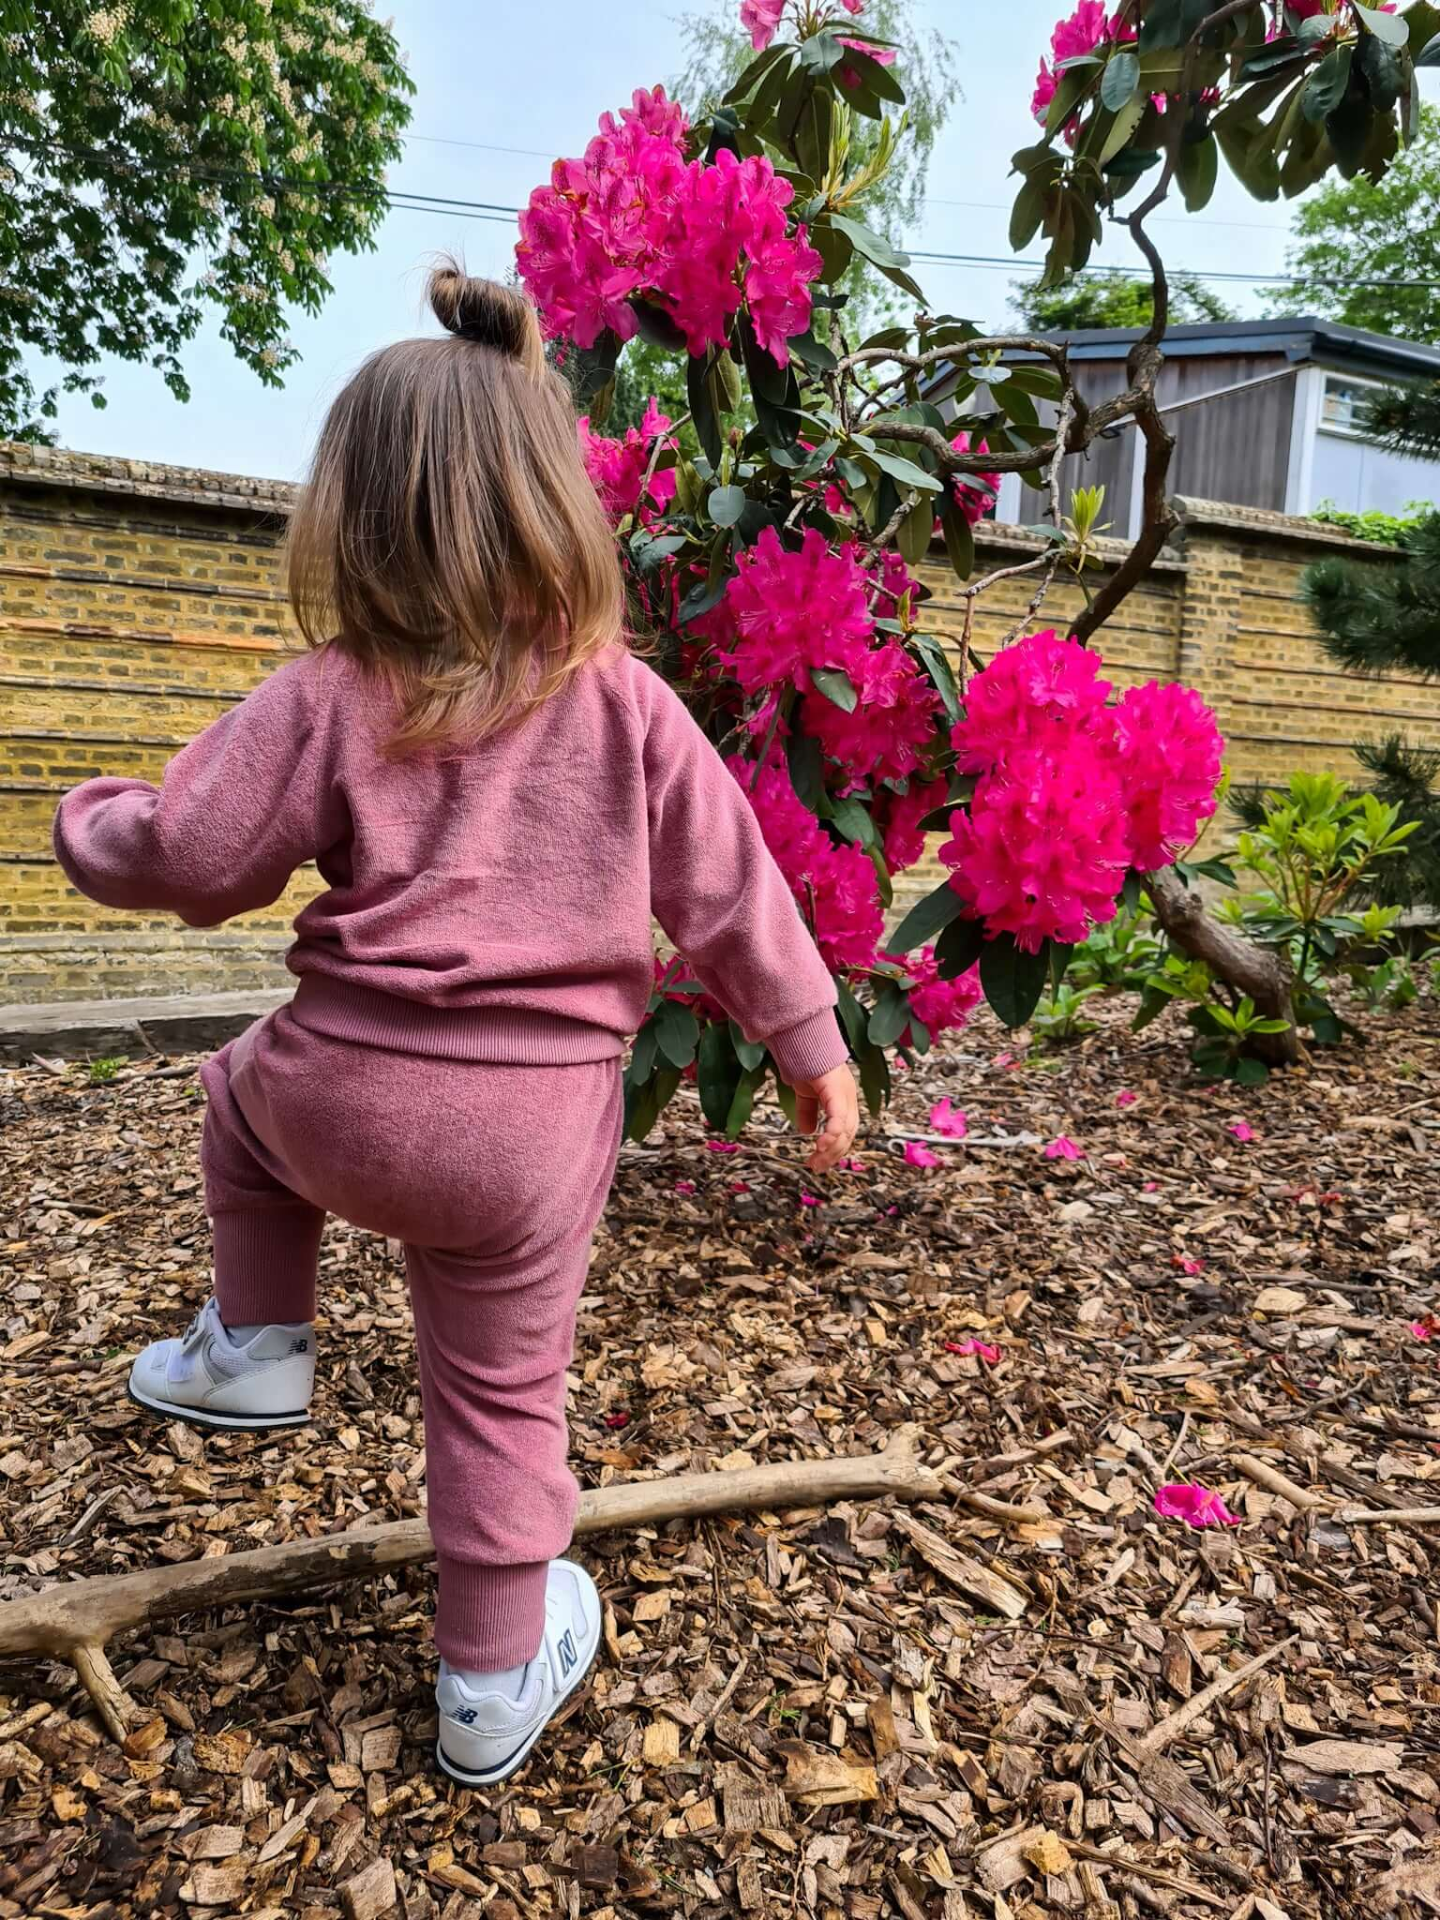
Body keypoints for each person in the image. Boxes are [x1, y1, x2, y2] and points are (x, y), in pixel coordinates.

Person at [52, 266, 859, 1787]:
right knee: (501, 1393)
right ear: (553, 504)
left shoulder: (330, 693)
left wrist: (91, 822)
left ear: (351, 517)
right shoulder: (625, 706)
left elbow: (196, 856)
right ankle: (488, 1685)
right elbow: (730, 883)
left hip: (331, 1097)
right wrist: (811, 1042)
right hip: (531, 1134)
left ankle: (260, 1346)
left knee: (235, 1097)